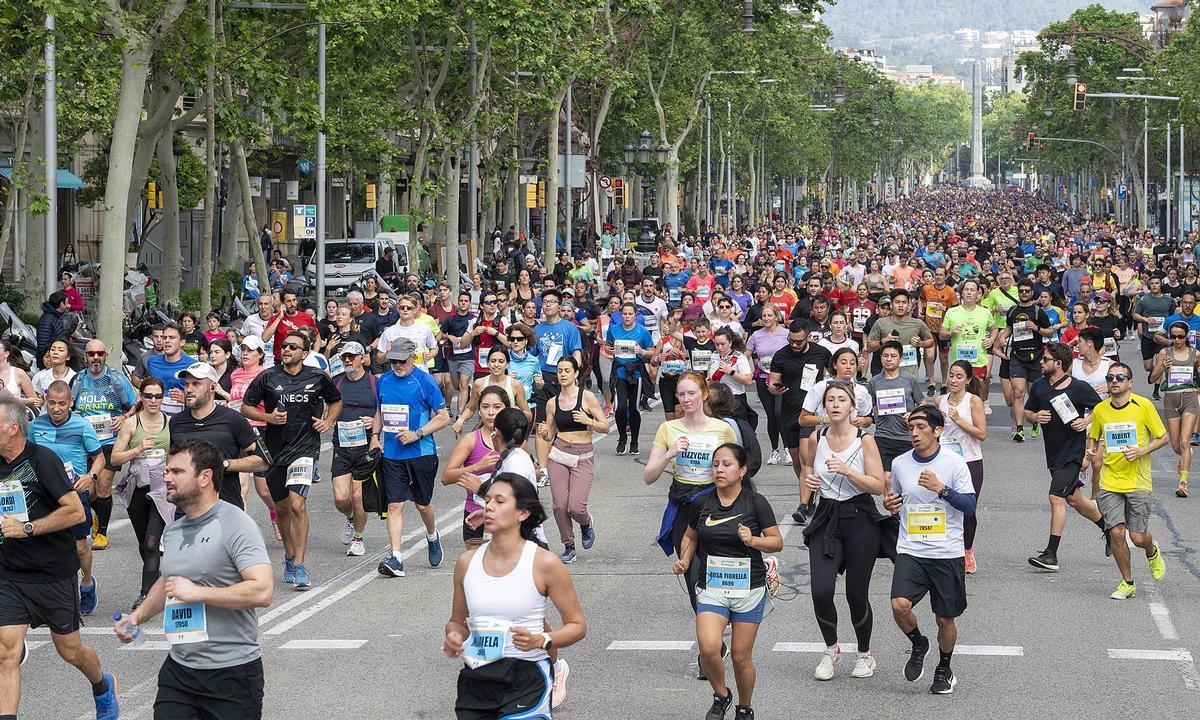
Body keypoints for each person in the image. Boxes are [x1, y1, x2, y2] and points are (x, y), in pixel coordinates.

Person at [113, 438, 273, 718]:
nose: (167, 477)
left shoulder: (236, 525)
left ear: (205, 477)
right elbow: (169, 582)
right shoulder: (174, 530)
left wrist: (198, 593)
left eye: (177, 472)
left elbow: (262, 592)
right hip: (180, 672)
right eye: (166, 471)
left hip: (232, 674)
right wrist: (136, 618)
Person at [0, 396, 119, 719]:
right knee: (6, 651)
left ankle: (102, 686)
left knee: (70, 650)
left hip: (52, 572)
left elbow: (75, 511)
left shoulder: (43, 461)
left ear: (13, 428)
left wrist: (27, 527)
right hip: (9, 575)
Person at [443, 473, 586, 720]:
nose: (489, 507)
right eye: (487, 500)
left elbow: (577, 626)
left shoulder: (544, 563)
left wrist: (542, 640)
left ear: (523, 513)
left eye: (500, 501)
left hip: (526, 676)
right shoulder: (467, 562)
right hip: (478, 677)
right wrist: (455, 637)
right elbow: (457, 620)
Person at [674, 444, 781, 720]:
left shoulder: (755, 503)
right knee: (708, 649)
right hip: (712, 587)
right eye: (716, 465)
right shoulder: (702, 502)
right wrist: (685, 560)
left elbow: (776, 542)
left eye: (727, 465)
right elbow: (691, 536)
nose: (719, 470)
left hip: (748, 589)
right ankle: (721, 695)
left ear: (742, 470)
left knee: (740, 657)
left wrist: (753, 540)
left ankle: (745, 707)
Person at [643, 373, 737, 678]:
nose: (685, 400)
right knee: (694, 578)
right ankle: (711, 647)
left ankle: (716, 635)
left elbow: (738, 472)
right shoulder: (668, 428)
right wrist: (671, 453)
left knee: (716, 577)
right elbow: (649, 475)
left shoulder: (722, 429)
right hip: (684, 506)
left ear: (704, 395)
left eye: (691, 394)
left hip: (716, 506)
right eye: (681, 395)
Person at [884, 404, 976, 695]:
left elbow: (970, 507)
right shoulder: (899, 464)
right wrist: (890, 506)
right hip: (911, 548)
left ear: (938, 431)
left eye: (921, 428)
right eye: (911, 427)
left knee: (944, 618)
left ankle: (944, 667)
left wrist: (942, 489)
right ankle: (918, 643)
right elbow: (897, 501)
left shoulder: (954, 464)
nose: (915, 433)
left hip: (946, 552)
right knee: (899, 605)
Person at [802, 381, 888, 681]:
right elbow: (808, 469)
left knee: (856, 594)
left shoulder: (865, 440)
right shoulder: (817, 436)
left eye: (841, 399)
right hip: (827, 517)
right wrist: (811, 482)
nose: (835, 404)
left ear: (852, 406)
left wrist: (849, 470)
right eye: (830, 400)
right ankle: (831, 649)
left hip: (860, 516)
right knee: (821, 590)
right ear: (824, 406)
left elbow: (878, 485)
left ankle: (865, 654)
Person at [242, 333, 340, 590]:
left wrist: (328, 422)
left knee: (297, 504)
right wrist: (268, 417)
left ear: (304, 353)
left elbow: (336, 401)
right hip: (275, 451)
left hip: (305, 449)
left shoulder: (317, 377)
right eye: (284, 345)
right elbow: (246, 407)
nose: (285, 349)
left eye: (292, 346)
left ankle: (300, 563)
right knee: (283, 508)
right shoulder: (268, 377)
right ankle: (288, 555)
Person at [1086, 362, 1170, 599]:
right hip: (1110, 481)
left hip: (1138, 481)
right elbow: (1093, 438)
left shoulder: (1143, 405)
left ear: (1129, 382)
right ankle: (1128, 582)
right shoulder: (1101, 410)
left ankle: (1152, 551)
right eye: (1110, 377)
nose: (1114, 381)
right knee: (1116, 533)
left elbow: (1163, 438)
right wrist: (1091, 452)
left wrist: (1141, 451)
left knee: (1137, 536)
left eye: (1120, 377)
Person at [1025, 342, 1109, 573]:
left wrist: (1086, 421)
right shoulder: (1040, 387)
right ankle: (1109, 529)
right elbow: (1027, 411)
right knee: (1075, 500)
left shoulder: (1079, 388)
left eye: (1045, 359)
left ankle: (1051, 554)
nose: (1041, 362)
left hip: (1073, 453)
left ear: (1058, 364)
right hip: (1053, 452)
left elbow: (1101, 409)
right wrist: (1035, 416)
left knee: (1055, 498)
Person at [370, 338, 451, 578]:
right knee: (394, 504)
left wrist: (417, 434)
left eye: (401, 360)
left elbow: (443, 416)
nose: (396, 364)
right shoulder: (383, 380)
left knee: (422, 504)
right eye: (393, 360)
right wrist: (375, 436)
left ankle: (432, 536)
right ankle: (396, 558)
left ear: (412, 357)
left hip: (421, 453)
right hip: (393, 455)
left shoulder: (424, 381)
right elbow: (379, 411)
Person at [28, 381, 106, 617]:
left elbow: (100, 458)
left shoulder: (82, 425)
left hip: (73, 492)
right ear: (45, 400)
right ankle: (49, 593)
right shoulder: (35, 426)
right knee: (42, 544)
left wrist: (90, 476)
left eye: (62, 403)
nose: (56, 408)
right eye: (51, 403)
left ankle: (87, 583)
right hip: (44, 495)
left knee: (79, 547)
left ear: (71, 402)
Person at [538, 357, 608, 563]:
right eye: (560, 371)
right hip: (559, 454)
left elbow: (604, 425)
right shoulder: (552, 403)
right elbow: (550, 434)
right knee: (559, 506)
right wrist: (545, 434)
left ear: (576, 374)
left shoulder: (587, 398)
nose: (563, 374)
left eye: (567, 370)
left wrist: (589, 421)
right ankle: (569, 545)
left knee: (575, 507)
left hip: (582, 455)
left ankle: (585, 524)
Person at [70, 339, 138, 551]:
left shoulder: (116, 379)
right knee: (87, 490)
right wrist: (74, 413)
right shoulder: (79, 380)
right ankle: (97, 516)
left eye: (100, 353)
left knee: (102, 485)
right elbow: (69, 406)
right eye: (92, 354)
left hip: (110, 440)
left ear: (105, 356)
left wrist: (125, 417)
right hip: (84, 441)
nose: (96, 357)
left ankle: (102, 533)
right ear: (85, 357)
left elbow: (135, 403)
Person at [769, 319, 831, 524]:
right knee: (797, 462)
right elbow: (771, 383)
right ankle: (810, 495)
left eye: (798, 341)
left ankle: (802, 506)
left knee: (806, 460)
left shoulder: (821, 353)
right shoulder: (781, 355)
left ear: (808, 337)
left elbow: (833, 374)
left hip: (810, 414)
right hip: (788, 413)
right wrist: (774, 388)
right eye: (791, 340)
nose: (794, 345)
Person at [935, 361, 988, 574]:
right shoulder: (940, 400)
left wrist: (958, 421)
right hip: (945, 461)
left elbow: (981, 434)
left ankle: (967, 551)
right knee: (943, 505)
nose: (954, 380)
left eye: (959, 377)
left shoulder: (973, 401)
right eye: (951, 376)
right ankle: (944, 550)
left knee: (968, 508)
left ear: (967, 380)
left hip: (970, 460)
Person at [330, 342, 376, 557]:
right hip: (342, 445)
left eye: (351, 356)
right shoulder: (336, 383)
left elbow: (383, 411)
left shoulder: (375, 383)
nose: (347, 360)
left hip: (365, 446)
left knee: (358, 497)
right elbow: (328, 409)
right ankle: (350, 517)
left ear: (362, 358)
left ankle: (358, 538)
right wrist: (327, 420)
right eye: (344, 357)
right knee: (341, 498)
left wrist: (374, 423)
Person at [995, 280, 1054, 442]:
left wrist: (1037, 329)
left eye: (1027, 291)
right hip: (1017, 356)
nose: (1024, 293)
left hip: (1035, 358)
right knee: (1018, 392)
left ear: (1031, 293)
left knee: (1033, 393)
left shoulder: (1037, 312)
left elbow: (1050, 332)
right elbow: (1008, 327)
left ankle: (1033, 421)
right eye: (1021, 291)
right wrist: (1002, 337)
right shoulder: (1013, 310)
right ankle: (1019, 428)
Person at [1149, 321, 1199, 497]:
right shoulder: (1165, 353)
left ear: (1187, 336)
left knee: (1186, 442)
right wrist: (1162, 367)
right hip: (1170, 400)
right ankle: (1185, 456)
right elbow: (1151, 378)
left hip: (1189, 397)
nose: (1177, 340)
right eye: (1173, 336)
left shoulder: (1196, 354)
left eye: (1181, 336)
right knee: (1177, 445)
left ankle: (1183, 483)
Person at [869, 340, 926, 480]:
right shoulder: (874, 382)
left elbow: (923, 404)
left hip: (906, 437)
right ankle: (889, 502)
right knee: (886, 477)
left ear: (900, 359)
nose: (889, 359)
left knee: (907, 478)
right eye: (885, 355)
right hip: (883, 436)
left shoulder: (910, 380)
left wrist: (914, 415)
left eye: (893, 356)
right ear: (880, 357)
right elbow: (867, 407)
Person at [605, 302, 654, 454]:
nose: (627, 317)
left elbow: (652, 351)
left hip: (636, 373)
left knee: (634, 409)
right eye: (624, 314)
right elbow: (607, 346)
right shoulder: (613, 330)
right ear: (620, 315)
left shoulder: (642, 332)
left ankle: (634, 441)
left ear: (635, 315)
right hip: (620, 371)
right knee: (620, 409)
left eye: (630, 314)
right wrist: (610, 350)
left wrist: (642, 351)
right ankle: (622, 437)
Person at [453, 347, 531, 433]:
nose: (496, 365)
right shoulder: (479, 383)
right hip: (484, 429)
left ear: (507, 364)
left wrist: (515, 412)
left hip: (508, 433)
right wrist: (460, 420)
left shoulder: (515, 385)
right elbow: (471, 408)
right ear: (488, 363)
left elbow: (528, 414)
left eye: (501, 361)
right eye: (493, 361)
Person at [261, 289, 316, 363]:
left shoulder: (307, 318)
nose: (292, 304)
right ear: (282, 303)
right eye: (288, 301)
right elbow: (265, 338)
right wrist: (279, 318)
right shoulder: (275, 318)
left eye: (294, 300)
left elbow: (317, 337)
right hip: (281, 360)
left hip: (301, 360)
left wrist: (312, 356)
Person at [0, 340, 40, 413]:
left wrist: (21, 401)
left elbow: (34, 399)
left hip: (13, 417)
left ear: (6, 354)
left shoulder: (18, 373)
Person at [35, 291, 69, 369]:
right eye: (66, 303)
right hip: (49, 365)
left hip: (56, 362)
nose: (68, 305)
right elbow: (42, 345)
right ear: (61, 304)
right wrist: (50, 361)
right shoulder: (47, 320)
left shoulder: (57, 316)